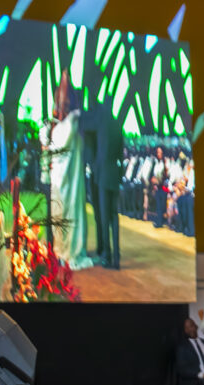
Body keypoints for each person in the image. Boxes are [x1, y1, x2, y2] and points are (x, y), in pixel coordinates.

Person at [41, 71, 92, 270]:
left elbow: (56, 148)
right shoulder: (64, 126)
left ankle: (67, 250)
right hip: (60, 183)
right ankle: (60, 249)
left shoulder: (70, 125)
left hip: (68, 184)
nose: (60, 110)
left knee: (67, 216)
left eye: (63, 106)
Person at [79, 102, 123, 269]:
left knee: (104, 217)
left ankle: (106, 254)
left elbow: (98, 153)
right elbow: (121, 154)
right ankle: (116, 257)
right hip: (115, 176)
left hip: (103, 176)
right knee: (114, 216)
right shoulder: (117, 125)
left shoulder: (100, 124)